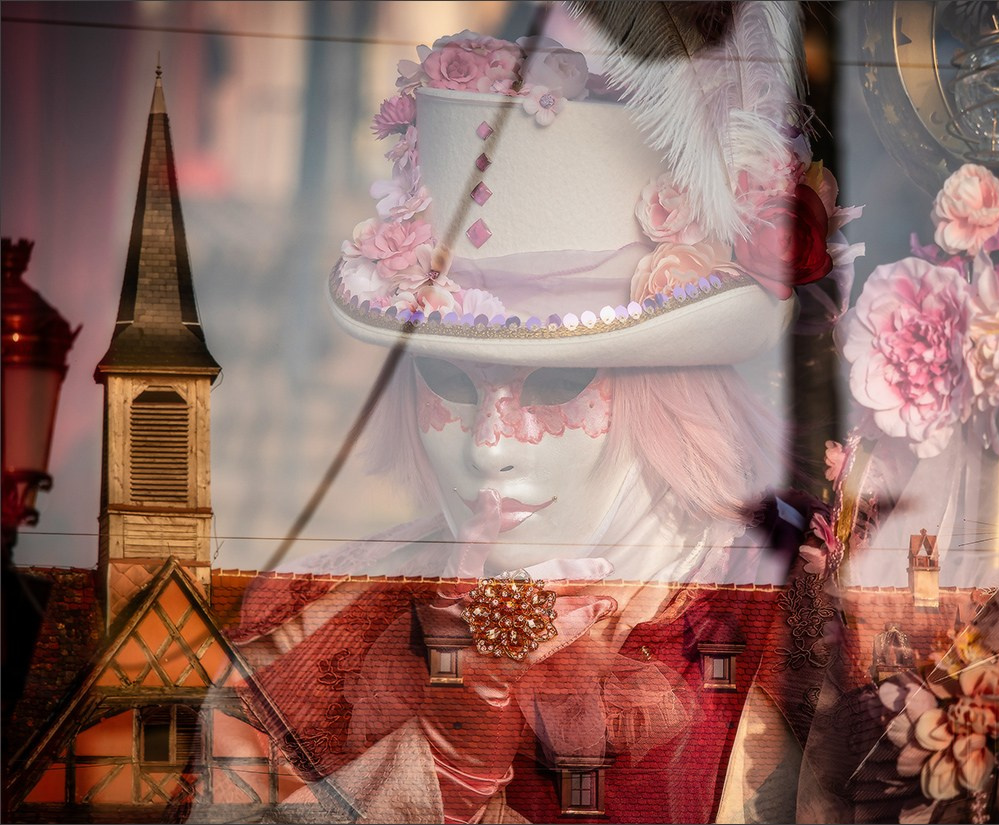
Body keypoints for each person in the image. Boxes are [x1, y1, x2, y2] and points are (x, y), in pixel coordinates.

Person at [200, 5, 858, 822]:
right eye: (448, 379)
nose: (489, 445)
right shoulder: (314, 635)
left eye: (555, 383)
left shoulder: (791, 610)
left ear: (667, 390)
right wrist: (429, 777)